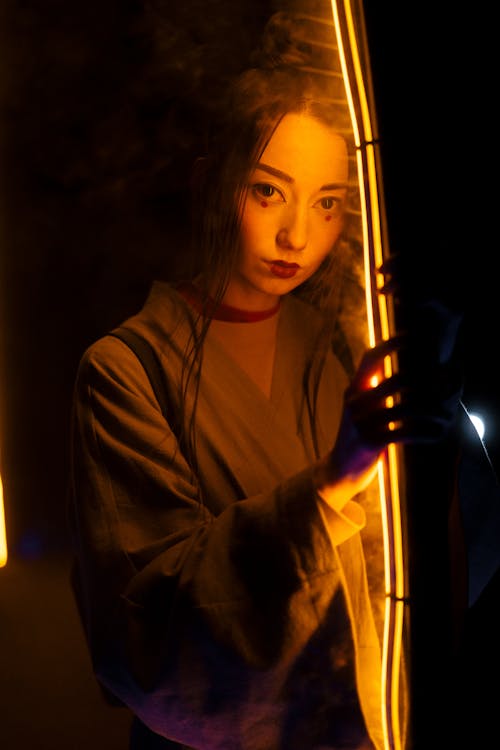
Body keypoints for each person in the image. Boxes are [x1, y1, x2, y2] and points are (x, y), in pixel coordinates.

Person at [68, 57, 468, 749]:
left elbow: (430, 573)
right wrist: (333, 480)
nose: (297, 237)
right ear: (210, 184)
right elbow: (147, 633)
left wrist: (445, 360)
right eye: (266, 191)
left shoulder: (345, 353)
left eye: (328, 203)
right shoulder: (123, 371)